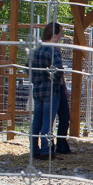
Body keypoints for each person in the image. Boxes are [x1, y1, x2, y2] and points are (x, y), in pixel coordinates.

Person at [29, 22, 65, 159]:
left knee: (36, 122)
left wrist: (36, 79)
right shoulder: (53, 50)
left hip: (37, 90)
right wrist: (54, 80)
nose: (61, 37)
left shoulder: (35, 49)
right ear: (54, 35)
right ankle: (46, 151)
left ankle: (34, 149)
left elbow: (28, 68)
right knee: (47, 122)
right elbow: (58, 70)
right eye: (60, 34)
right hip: (50, 91)